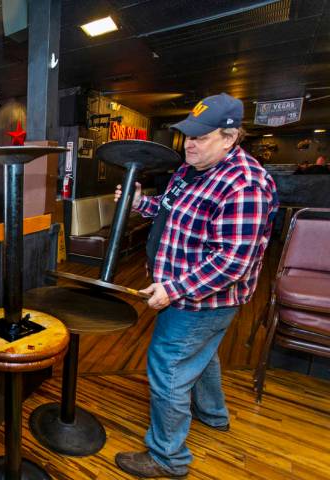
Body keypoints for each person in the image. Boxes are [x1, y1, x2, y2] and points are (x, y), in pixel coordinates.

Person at [113, 93, 279, 478]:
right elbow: (171, 212)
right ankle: (213, 415)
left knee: (169, 366)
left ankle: (167, 458)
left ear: (229, 137)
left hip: (203, 299)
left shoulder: (245, 186)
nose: (189, 143)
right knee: (201, 355)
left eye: (200, 137)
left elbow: (232, 262)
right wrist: (141, 202)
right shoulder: (190, 170)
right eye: (188, 134)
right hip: (187, 290)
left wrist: (174, 289)